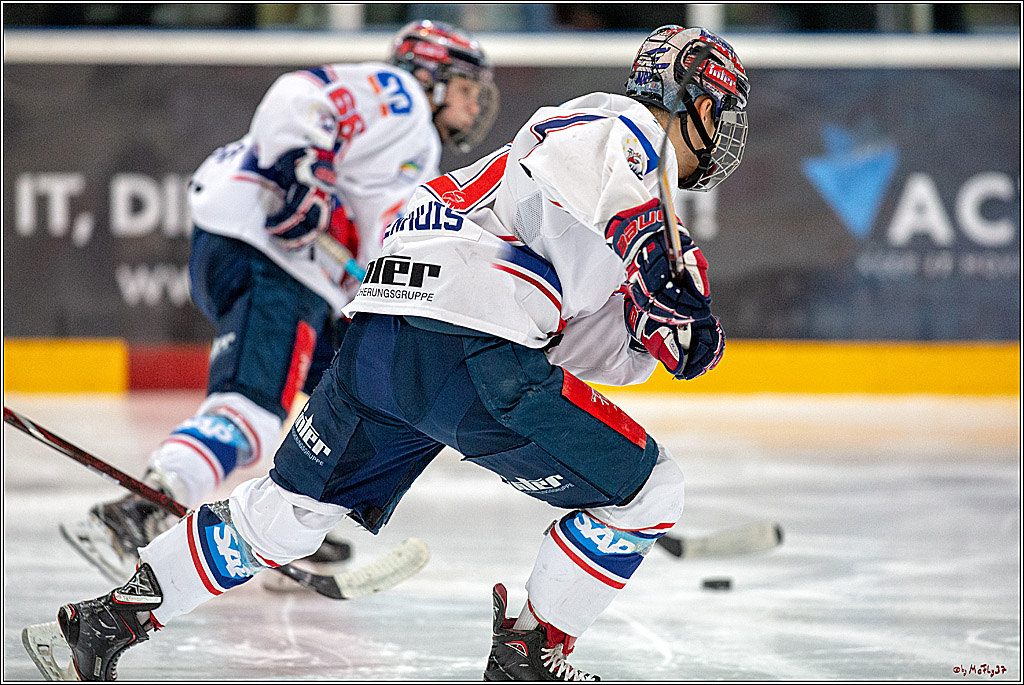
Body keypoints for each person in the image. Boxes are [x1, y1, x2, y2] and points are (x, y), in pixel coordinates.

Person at [23, 25, 748, 681]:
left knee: (283, 513)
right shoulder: (621, 126)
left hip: (382, 340)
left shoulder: (613, 196)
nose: (729, 130)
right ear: (693, 99)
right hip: (470, 344)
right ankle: (530, 648)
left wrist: (648, 333)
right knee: (652, 490)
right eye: (726, 108)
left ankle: (105, 621)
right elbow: (603, 166)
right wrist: (657, 265)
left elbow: (583, 346)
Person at [58, 19, 497, 586]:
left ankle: (284, 517)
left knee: (351, 389)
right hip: (272, 257)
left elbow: (383, 238)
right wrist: (300, 167)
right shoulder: (402, 98)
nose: (472, 105)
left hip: (295, 271)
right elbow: (303, 95)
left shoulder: (417, 148)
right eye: (463, 87)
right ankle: (138, 511)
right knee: (253, 413)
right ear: (430, 77)